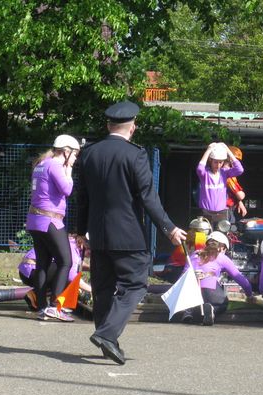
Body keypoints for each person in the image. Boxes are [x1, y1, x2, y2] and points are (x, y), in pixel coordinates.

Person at [76, 100, 186, 365]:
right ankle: (107, 334)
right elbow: (148, 197)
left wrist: (80, 231)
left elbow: (82, 197)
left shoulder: (89, 153)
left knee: (103, 288)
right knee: (135, 284)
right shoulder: (135, 155)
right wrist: (169, 228)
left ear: (108, 125)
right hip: (128, 235)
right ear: (132, 127)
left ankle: (107, 340)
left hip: (98, 235)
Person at [26, 134, 80, 322]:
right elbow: (67, 190)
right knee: (66, 262)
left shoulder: (41, 164)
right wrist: (69, 170)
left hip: (35, 220)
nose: (75, 159)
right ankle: (55, 306)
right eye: (74, 154)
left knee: (43, 263)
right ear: (66, 151)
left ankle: (42, 307)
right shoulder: (56, 166)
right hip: (50, 220)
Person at [181, 231, 253, 325]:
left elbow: (183, 276)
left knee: (195, 299)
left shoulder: (194, 255)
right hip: (209, 289)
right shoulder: (221, 257)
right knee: (223, 303)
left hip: (189, 291)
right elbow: (239, 278)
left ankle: (188, 311)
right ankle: (212, 310)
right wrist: (249, 294)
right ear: (222, 247)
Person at [18, 235, 90, 310]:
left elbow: (75, 263)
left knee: (64, 271)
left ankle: (34, 295)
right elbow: (72, 277)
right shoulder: (72, 248)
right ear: (83, 244)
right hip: (32, 271)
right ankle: (54, 305)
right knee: (64, 275)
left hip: (29, 270)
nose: (91, 255)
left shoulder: (72, 243)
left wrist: (89, 268)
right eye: (90, 251)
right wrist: (93, 290)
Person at [196, 142, 244, 228]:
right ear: (210, 160)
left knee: (222, 235)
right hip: (206, 212)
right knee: (204, 234)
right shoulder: (205, 174)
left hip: (222, 212)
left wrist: (228, 150)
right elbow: (200, 168)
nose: (218, 165)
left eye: (220, 162)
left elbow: (239, 170)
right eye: (215, 162)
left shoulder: (224, 173)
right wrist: (208, 150)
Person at [226, 146, 248, 223]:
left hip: (229, 208)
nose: (237, 163)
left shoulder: (231, 175)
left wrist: (239, 202)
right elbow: (240, 195)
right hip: (225, 210)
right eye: (236, 160)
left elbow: (234, 193)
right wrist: (242, 195)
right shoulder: (227, 174)